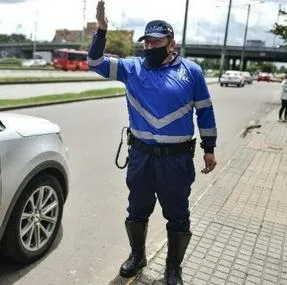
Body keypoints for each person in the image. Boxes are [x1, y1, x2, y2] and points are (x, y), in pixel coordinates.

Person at [88, 1, 217, 284]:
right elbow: (95, 62)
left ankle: (173, 268)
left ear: (170, 42)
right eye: (147, 42)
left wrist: (209, 149)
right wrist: (101, 30)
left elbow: (205, 110)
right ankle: (138, 256)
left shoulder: (191, 72)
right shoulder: (131, 68)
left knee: (178, 215)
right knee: (137, 211)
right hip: (141, 157)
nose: (150, 46)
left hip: (176, 160)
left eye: (157, 41)